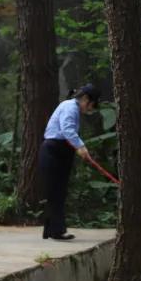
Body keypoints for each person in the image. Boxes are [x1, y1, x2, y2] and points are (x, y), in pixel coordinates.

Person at [40, 84, 101, 240]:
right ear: (85, 99)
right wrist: (81, 147)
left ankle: (51, 230)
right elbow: (67, 129)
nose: (90, 109)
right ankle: (57, 231)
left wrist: (78, 148)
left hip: (62, 150)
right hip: (54, 149)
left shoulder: (72, 108)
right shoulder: (70, 106)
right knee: (56, 190)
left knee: (58, 191)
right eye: (91, 105)